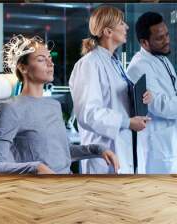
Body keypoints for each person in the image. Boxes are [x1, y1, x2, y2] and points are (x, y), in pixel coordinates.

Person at [0, 35, 120, 175]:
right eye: (41, 59)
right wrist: (35, 168)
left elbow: (62, 152)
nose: (50, 64)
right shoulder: (10, 109)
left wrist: (98, 149)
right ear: (23, 68)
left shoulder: (54, 105)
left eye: (50, 58)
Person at [69, 5, 152, 174]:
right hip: (103, 156)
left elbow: (116, 101)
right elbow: (89, 113)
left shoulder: (113, 62)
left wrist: (140, 97)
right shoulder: (89, 64)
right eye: (121, 23)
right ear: (108, 31)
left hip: (123, 149)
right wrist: (127, 122)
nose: (126, 27)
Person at [127, 12, 177, 174]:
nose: (167, 40)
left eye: (167, 35)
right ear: (144, 42)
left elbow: (172, 97)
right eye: (160, 38)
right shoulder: (138, 67)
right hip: (156, 149)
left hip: (171, 143)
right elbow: (161, 105)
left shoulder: (162, 58)